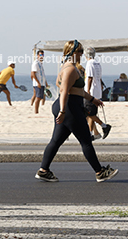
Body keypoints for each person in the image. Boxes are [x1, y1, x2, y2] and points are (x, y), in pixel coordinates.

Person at [35, 40, 118, 183]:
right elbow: (64, 91)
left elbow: (76, 90)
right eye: (80, 51)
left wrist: (93, 99)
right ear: (73, 53)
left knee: (56, 141)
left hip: (68, 106)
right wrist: (62, 111)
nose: (81, 54)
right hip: (69, 108)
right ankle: (100, 172)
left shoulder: (66, 67)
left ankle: (43, 170)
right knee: (86, 141)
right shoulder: (70, 69)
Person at [84, 47, 112, 141]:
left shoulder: (89, 63)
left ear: (86, 55)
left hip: (91, 92)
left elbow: (90, 77)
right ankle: (90, 133)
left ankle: (104, 126)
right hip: (97, 91)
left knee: (88, 113)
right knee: (92, 113)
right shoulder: (97, 63)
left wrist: (87, 90)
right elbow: (99, 77)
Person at [30, 50, 48, 114]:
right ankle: (36, 111)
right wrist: (37, 83)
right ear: (37, 55)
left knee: (40, 96)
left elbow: (42, 75)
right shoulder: (35, 63)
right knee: (38, 97)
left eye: (42, 55)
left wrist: (46, 83)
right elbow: (32, 74)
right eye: (40, 55)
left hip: (42, 83)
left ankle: (36, 107)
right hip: (38, 83)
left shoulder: (40, 64)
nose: (42, 56)